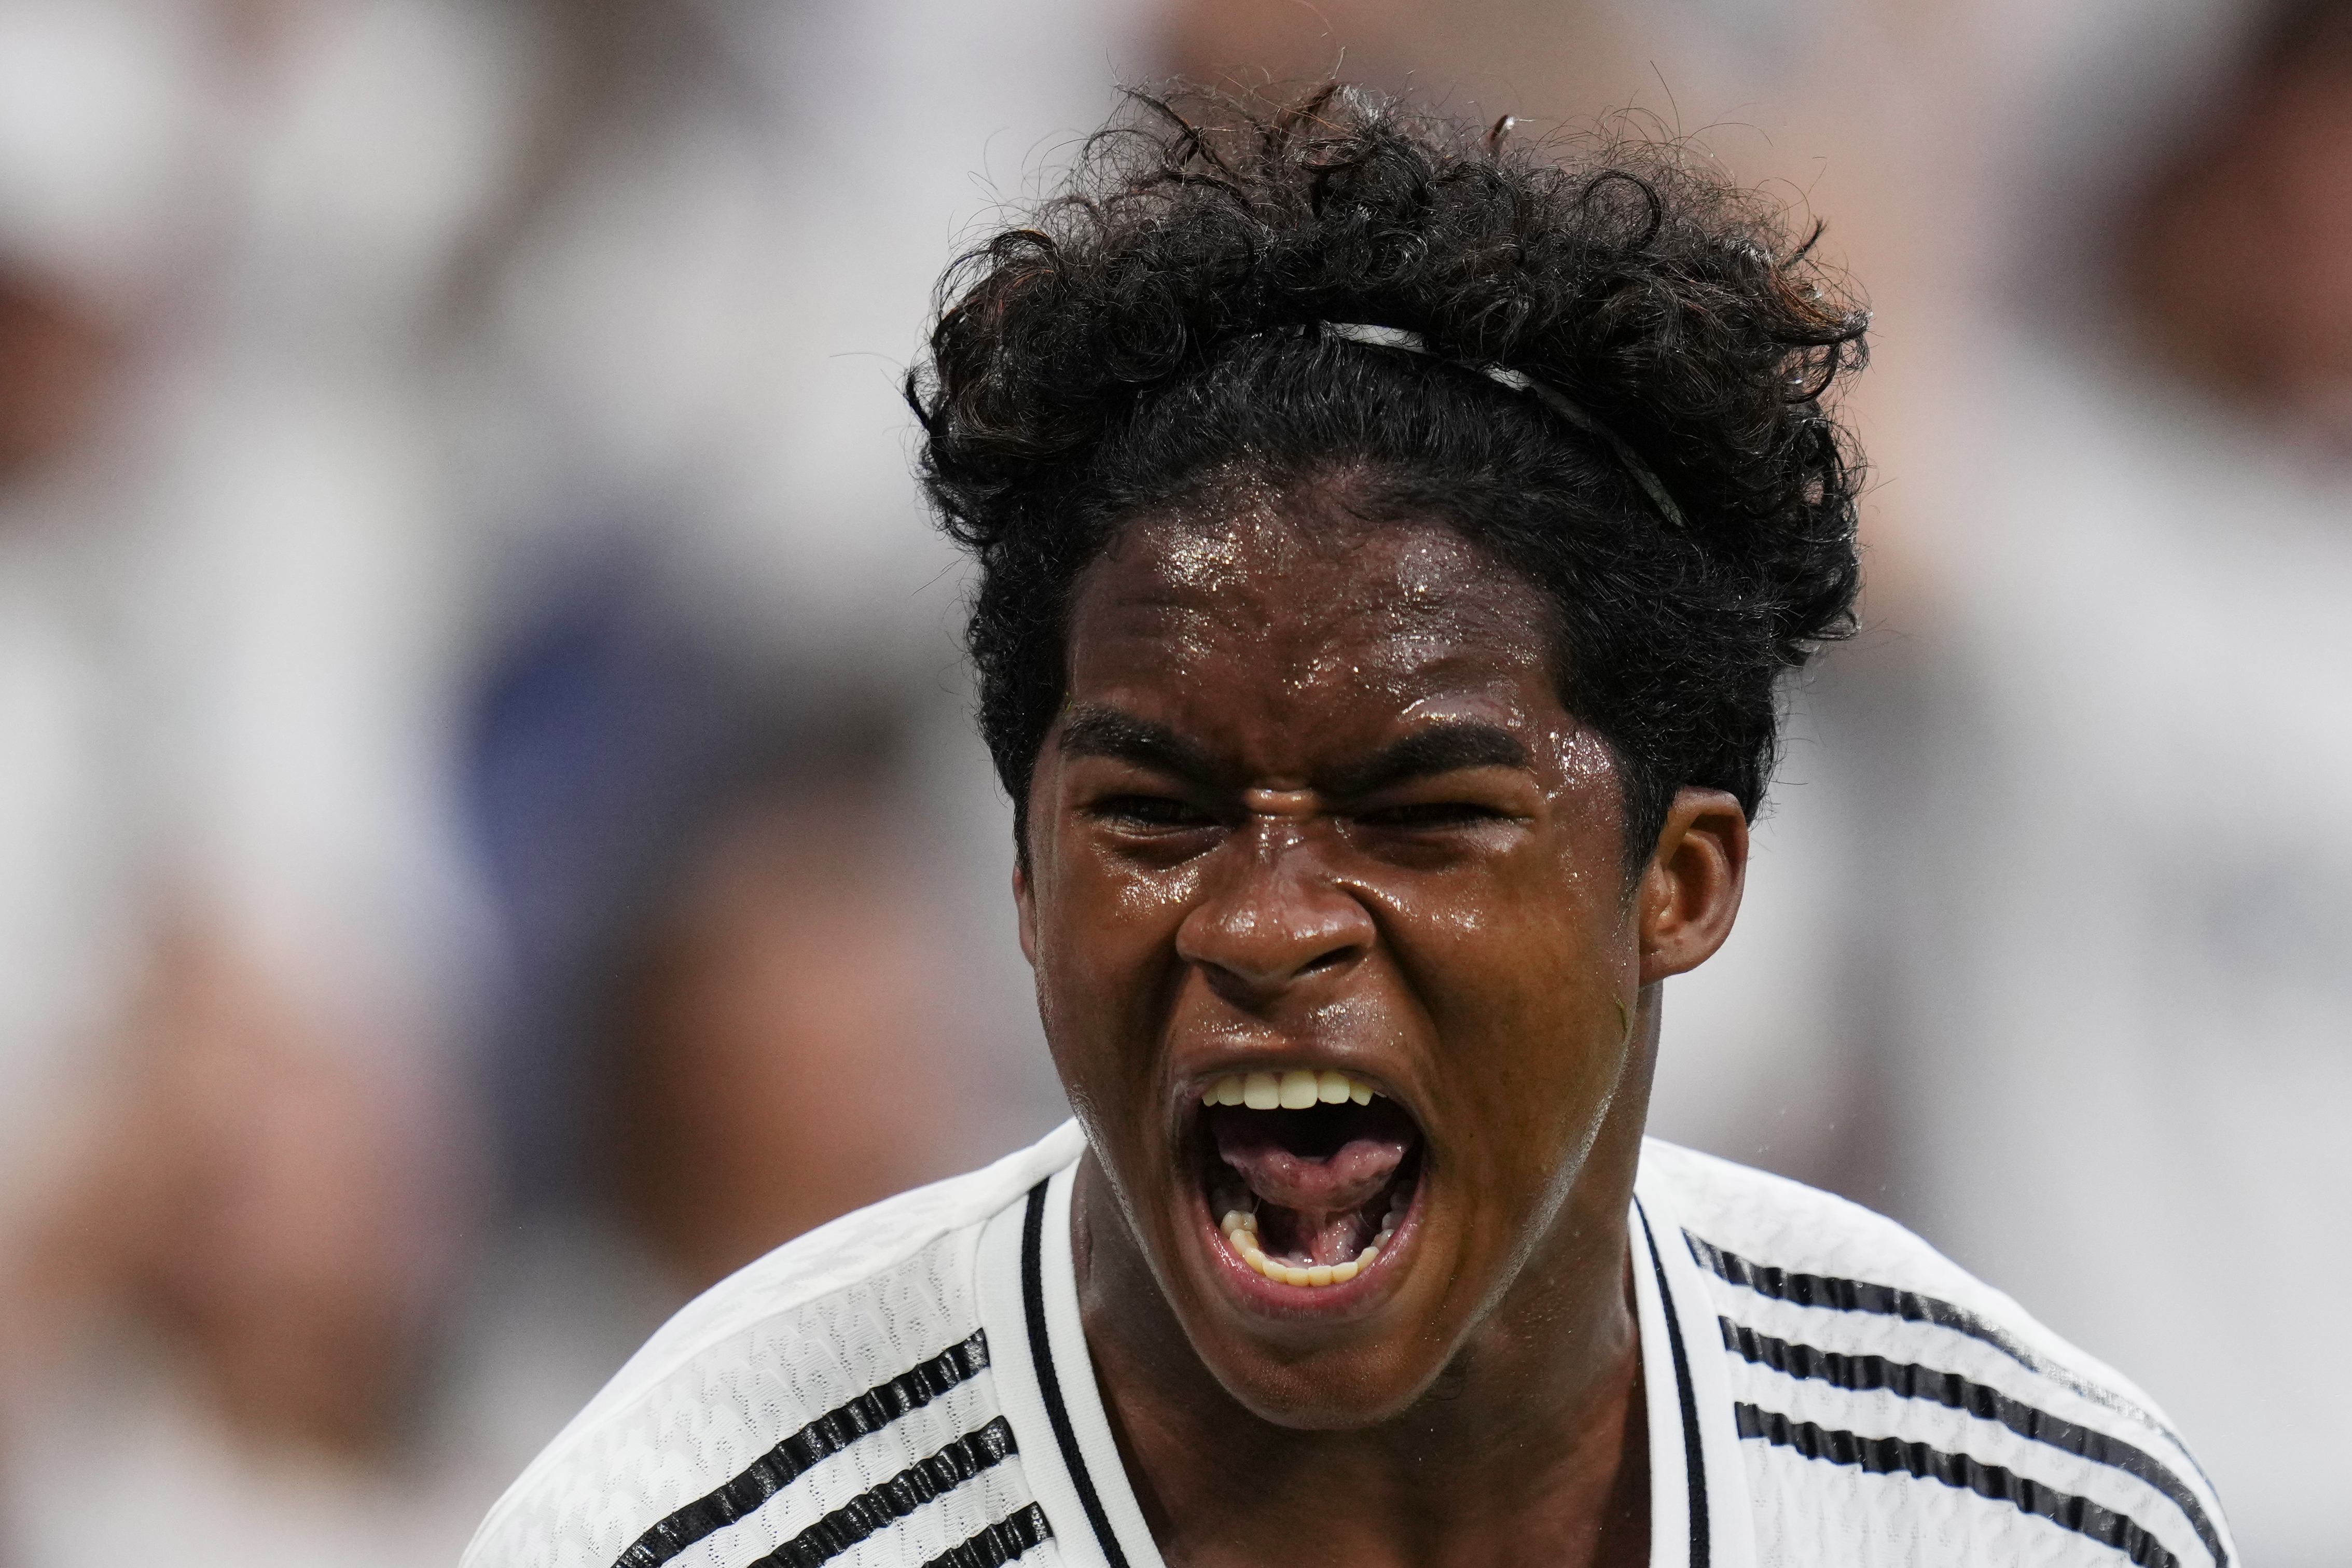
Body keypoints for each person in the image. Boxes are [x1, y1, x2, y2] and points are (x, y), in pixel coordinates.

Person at [461, 87, 2230, 1568]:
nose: (1265, 921)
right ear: (1020, 877)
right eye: (1154, 813)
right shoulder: (695, 1537)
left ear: (1682, 881)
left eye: (1421, 813)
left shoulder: (2024, 1514)